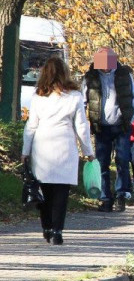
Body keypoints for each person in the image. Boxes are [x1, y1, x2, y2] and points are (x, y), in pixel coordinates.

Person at [22, 57, 95, 245]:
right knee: (61, 193)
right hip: (65, 145)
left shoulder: (38, 96)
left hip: (42, 146)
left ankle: (46, 228)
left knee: (44, 191)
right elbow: (81, 126)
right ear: (65, 73)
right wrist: (88, 150)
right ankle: (57, 231)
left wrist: (25, 150)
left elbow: (31, 126)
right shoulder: (75, 96)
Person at [81, 47, 134, 212]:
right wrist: (85, 123)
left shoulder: (124, 75)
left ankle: (121, 194)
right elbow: (82, 100)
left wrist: (130, 119)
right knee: (102, 163)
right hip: (101, 127)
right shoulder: (90, 77)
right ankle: (105, 198)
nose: (105, 66)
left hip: (121, 125)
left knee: (122, 160)